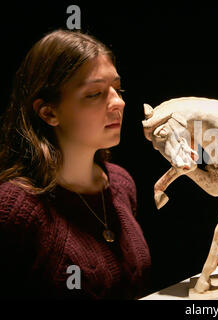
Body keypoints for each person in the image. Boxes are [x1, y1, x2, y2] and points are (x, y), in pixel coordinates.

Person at [0, 29, 151, 299]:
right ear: (49, 112)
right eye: (95, 93)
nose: (119, 103)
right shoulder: (15, 209)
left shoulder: (120, 183)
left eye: (117, 88)